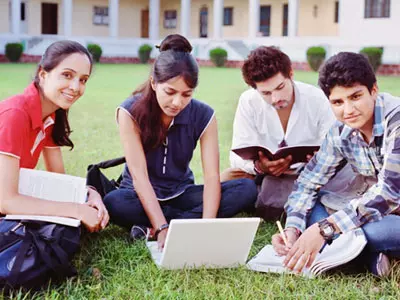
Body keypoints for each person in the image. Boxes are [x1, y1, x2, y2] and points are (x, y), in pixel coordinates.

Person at [103, 34, 257, 248]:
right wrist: (162, 228)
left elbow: (212, 176)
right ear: (154, 83)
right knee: (114, 202)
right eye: (170, 92)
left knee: (246, 189)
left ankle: (152, 229)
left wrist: (207, 225)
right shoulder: (130, 112)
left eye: (187, 94)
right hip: (137, 195)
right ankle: (169, 225)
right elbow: (139, 177)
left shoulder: (204, 115)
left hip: (181, 192)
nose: (177, 102)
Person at [272, 52, 400, 277]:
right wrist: (293, 229)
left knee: (365, 229)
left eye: (356, 96)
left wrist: (325, 230)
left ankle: (359, 252)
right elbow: (308, 183)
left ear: (374, 90)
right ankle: (374, 257)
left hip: (388, 215)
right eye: (338, 102)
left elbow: (389, 193)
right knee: (317, 210)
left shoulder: (396, 122)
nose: (348, 110)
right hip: (378, 214)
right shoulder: (341, 131)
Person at [221, 46, 345, 220]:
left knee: (342, 181)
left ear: (291, 74)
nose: (275, 98)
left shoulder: (317, 99)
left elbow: (336, 148)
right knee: (226, 178)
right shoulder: (248, 101)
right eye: (266, 93)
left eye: (280, 87)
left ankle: (268, 200)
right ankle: (265, 196)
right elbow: (237, 156)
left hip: (307, 174)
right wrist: (259, 166)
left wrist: (318, 160)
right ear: (255, 89)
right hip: (260, 174)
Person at [0, 40, 109, 232]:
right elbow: (5, 201)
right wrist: (76, 209)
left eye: (83, 80)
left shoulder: (49, 115)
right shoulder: (15, 114)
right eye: (67, 75)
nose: (75, 87)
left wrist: (91, 195)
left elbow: (58, 180)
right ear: (43, 74)